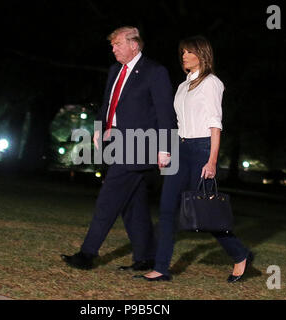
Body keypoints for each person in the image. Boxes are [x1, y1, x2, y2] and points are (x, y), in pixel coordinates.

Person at [136, 35, 253, 282]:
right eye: (183, 53)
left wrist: (212, 161)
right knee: (167, 210)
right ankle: (161, 268)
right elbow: (179, 123)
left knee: (205, 212)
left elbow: (215, 125)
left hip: (201, 150)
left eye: (190, 52)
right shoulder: (182, 87)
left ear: (203, 54)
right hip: (181, 149)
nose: (184, 56)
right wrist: (167, 151)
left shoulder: (211, 83)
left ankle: (240, 255)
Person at [61, 26, 177, 271]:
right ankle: (146, 257)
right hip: (116, 143)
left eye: (117, 44)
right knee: (133, 204)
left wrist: (165, 148)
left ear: (134, 45)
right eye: (112, 45)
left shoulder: (155, 72)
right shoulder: (115, 70)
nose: (113, 49)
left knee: (108, 199)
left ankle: (87, 254)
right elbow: (108, 104)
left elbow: (166, 112)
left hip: (139, 145)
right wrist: (98, 128)